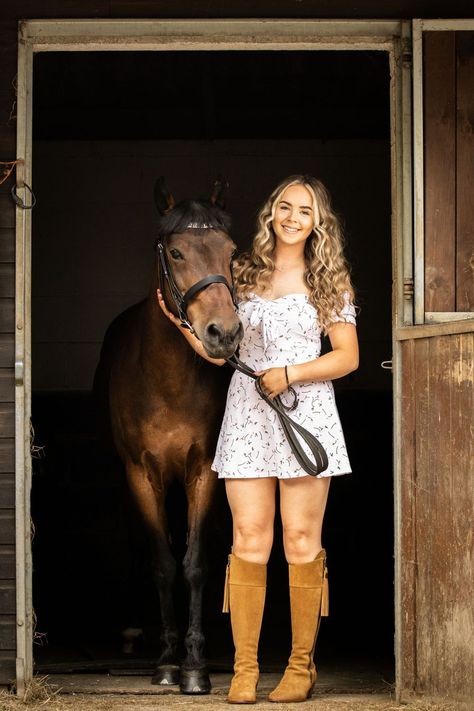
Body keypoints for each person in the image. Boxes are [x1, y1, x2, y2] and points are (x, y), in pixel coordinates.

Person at [158, 174, 358, 704]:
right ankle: (244, 668)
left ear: (319, 223)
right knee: (248, 540)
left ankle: (299, 667)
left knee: (299, 543)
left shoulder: (328, 279)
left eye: (305, 211)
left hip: (305, 413)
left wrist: (290, 374)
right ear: (272, 212)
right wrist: (180, 327)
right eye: (285, 207)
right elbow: (224, 350)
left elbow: (347, 356)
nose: (293, 217)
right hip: (248, 414)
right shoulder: (242, 273)